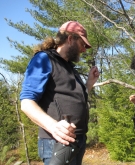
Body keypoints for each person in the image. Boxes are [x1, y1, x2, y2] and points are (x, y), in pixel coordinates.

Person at [20, 21, 100, 165]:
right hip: (56, 141)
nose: (84, 50)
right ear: (70, 39)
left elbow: (76, 100)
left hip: (76, 140)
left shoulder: (69, 67)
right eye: (83, 44)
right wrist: (53, 126)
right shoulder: (44, 59)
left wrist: (89, 84)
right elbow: (26, 102)